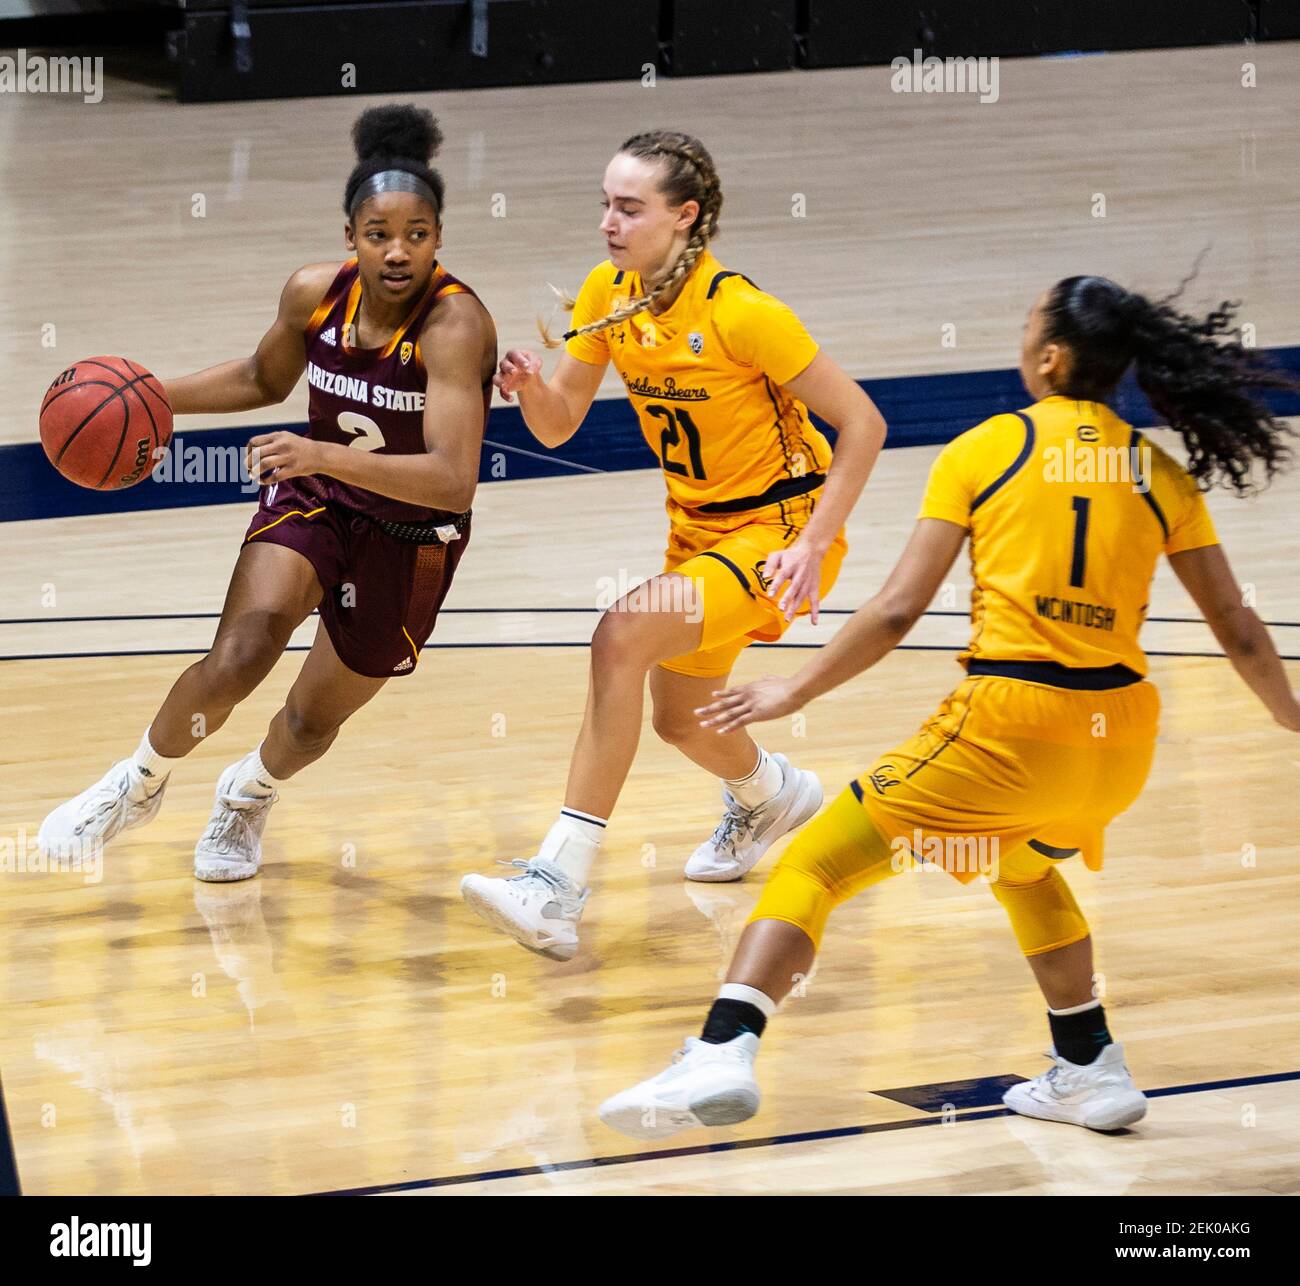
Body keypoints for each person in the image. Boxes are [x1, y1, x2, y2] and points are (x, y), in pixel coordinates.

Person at [599, 274, 1299, 1136]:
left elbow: (895, 610)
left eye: (1026, 322)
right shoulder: (1158, 473)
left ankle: (719, 1050)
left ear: (1047, 358)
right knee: (1020, 861)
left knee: (812, 865)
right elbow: (1235, 625)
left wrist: (795, 687)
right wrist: (1290, 715)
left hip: (1011, 725)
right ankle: (1088, 1066)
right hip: (1119, 747)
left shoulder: (987, 448)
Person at [38, 104, 497, 882]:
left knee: (311, 722)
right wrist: (143, 395)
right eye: (379, 234)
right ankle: (138, 781)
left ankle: (248, 793)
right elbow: (261, 379)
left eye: (416, 234)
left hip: (413, 537)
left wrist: (317, 449)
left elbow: (453, 477)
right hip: (314, 497)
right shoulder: (314, 293)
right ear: (350, 235)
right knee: (240, 654)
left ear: (439, 239)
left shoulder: (455, 326)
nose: (397, 251)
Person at [460, 130, 887, 961]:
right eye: (605, 204)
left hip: (780, 534)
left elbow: (864, 422)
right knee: (683, 720)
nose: (608, 223)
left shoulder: (740, 312)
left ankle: (556, 884)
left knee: (621, 632)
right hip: (699, 532)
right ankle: (769, 795)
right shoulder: (608, 292)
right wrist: (528, 389)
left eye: (628, 207)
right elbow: (559, 425)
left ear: (684, 216)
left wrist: (816, 545)